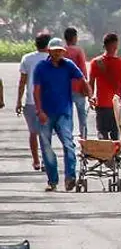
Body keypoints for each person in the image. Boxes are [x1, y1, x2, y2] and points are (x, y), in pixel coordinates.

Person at [32, 37, 88, 192]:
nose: (58, 54)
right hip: (46, 113)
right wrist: (39, 111)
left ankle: (70, 177)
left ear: (64, 52)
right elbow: (36, 90)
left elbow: (81, 78)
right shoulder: (41, 67)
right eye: (55, 51)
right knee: (46, 147)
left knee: (68, 144)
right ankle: (53, 180)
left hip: (64, 112)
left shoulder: (68, 65)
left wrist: (89, 93)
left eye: (60, 51)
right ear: (49, 51)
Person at [88, 33, 121, 142]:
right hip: (116, 105)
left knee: (102, 132)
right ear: (116, 46)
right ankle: (114, 151)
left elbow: (91, 83)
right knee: (115, 135)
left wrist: (90, 98)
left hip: (101, 104)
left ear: (104, 46)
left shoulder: (96, 62)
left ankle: (104, 151)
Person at [15, 32, 50, 171]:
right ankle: (46, 160)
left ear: (35, 44)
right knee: (45, 133)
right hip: (47, 102)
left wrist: (18, 101)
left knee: (33, 132)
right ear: (49, 45)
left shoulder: (27, 58)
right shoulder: (51, 58)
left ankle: (36, 161)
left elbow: (22, 82)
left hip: (30, 101)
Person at [61, 27, 89, 140]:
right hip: (78, 87)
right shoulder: (78, 51)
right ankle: (84, 138)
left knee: (68, 116)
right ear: (74, 38)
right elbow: (83, 70)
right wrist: (86, 86)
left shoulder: (61, 51)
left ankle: (69, 138)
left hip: (65, 89)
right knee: (82, 115)